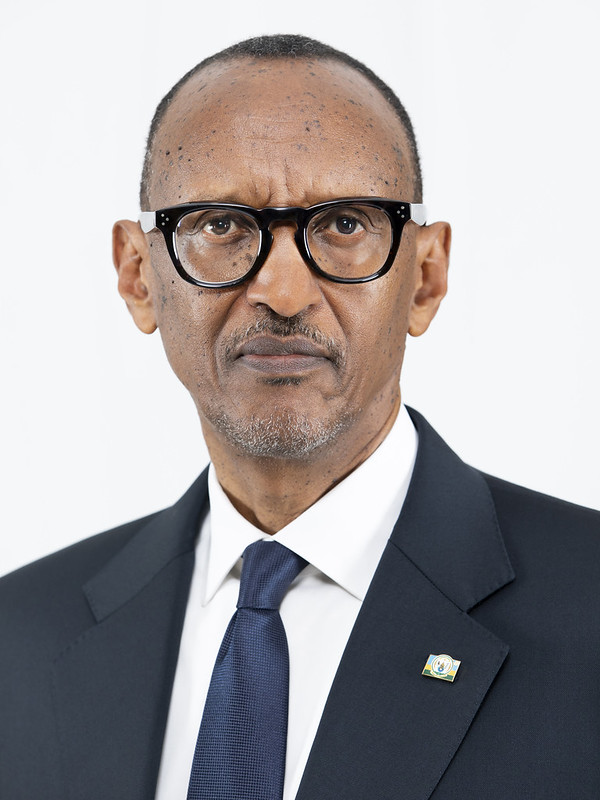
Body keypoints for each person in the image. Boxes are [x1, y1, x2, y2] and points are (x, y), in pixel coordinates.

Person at [0, 33, 599, 800]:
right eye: (220, 226)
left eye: (345, 224)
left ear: (425, 278)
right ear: (138, 276)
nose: (283, 292)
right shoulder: (20, 638)